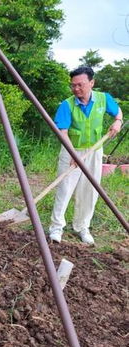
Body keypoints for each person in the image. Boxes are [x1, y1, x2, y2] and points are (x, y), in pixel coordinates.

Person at [49, 66, 122, 245]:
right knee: (65, 188)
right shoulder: (67, 105)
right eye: (73, 86)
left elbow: (117, 111)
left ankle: (82, 227)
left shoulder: (103, 99)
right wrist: (72, 153)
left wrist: (118, 122)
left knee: (89, 189)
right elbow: (63, 132)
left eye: (80, 85)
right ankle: (56, 228)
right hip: (71, 150)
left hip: (95, 150)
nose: (76, 89)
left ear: (91, 83)